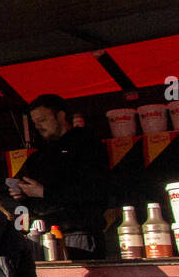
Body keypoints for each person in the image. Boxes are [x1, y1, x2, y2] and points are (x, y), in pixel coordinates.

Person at [9, 93, 109, 259]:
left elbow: (94, 190)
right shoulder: (40, 155)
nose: (39, 126)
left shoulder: (86, 144)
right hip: (45, 233)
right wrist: (22, 194)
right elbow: (34, 198)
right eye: (35, 123)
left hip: (79, 234)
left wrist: (44, 192)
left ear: (61, 116)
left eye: (42, 120)